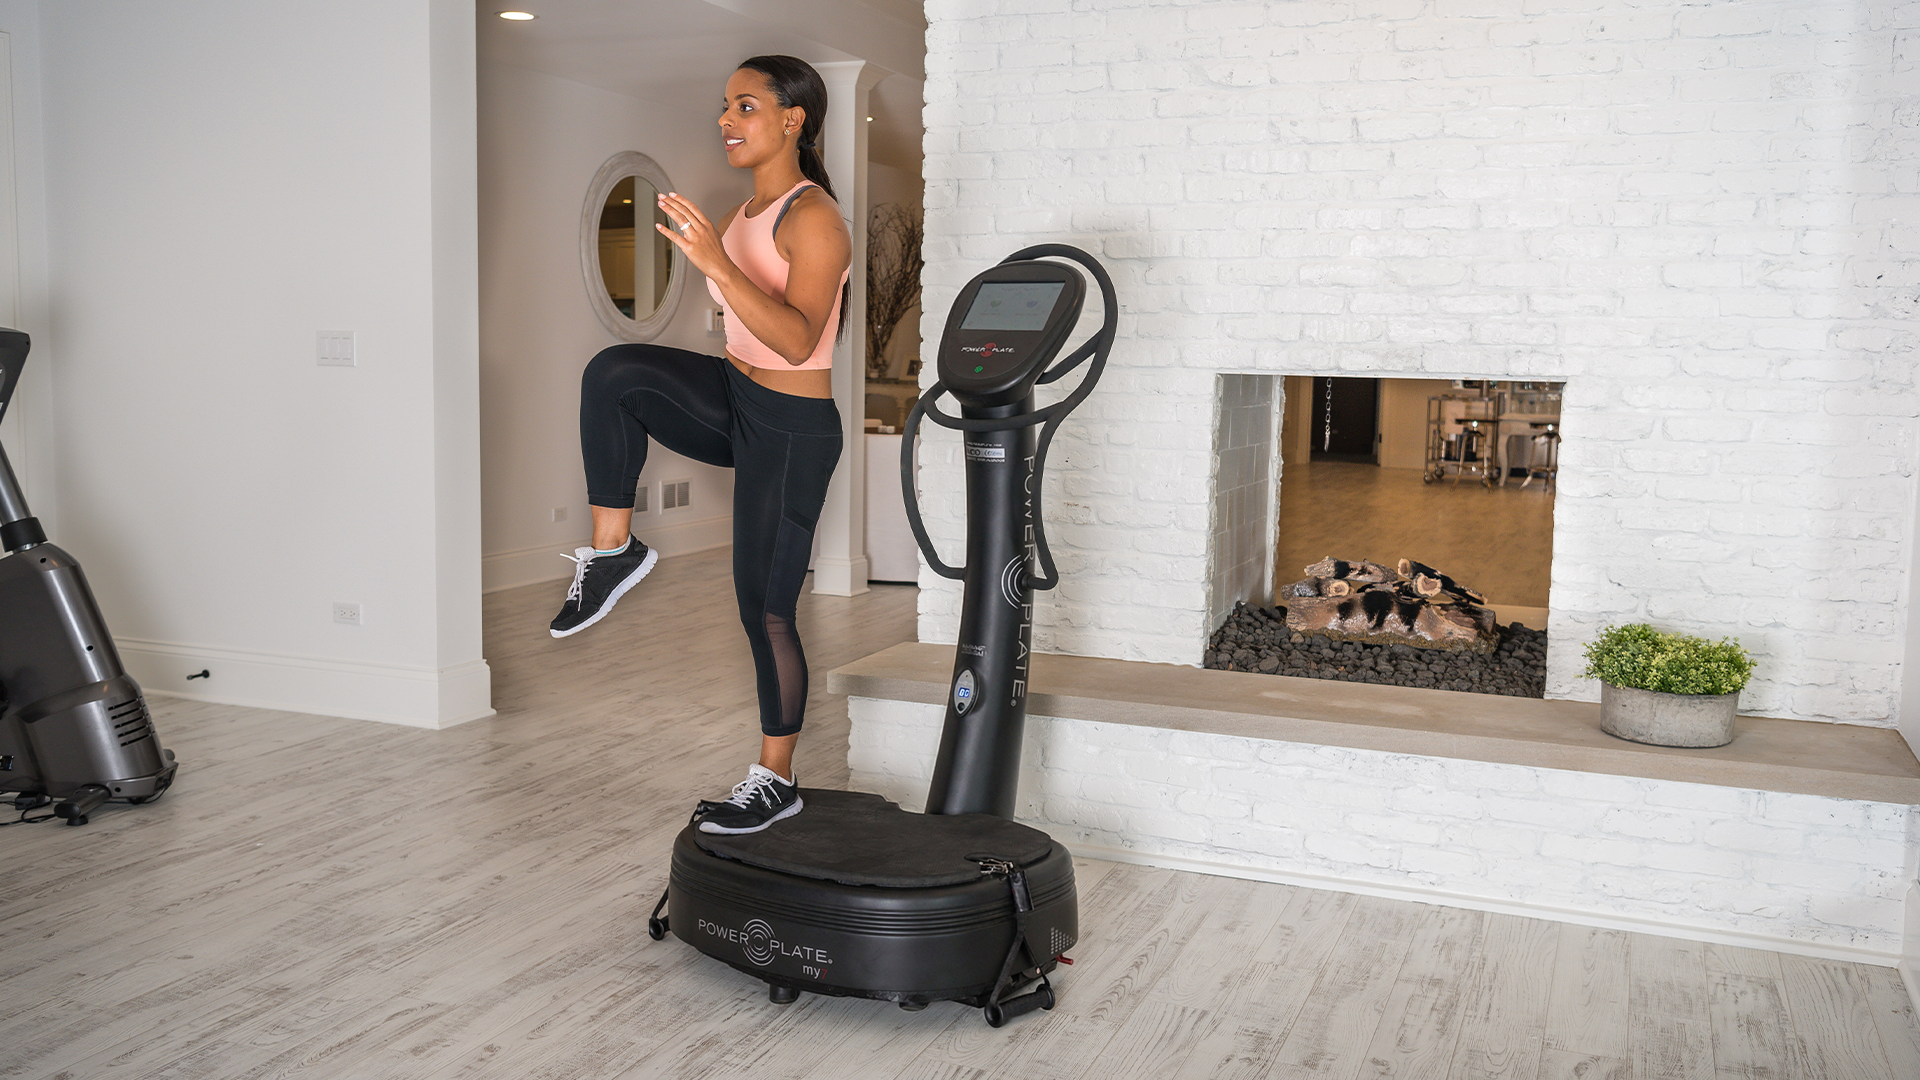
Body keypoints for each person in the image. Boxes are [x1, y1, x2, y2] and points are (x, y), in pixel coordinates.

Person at [551, 55, 852, 835]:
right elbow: (743, 334)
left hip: (791, 428)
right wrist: (718, 255)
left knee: (767, 611)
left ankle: (775, 778)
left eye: (745, 106)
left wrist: (715, 262)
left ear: (793, 119)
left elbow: (797, 340)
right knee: (614, 373)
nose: (726, 119)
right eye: (725, 106)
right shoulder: (743, 211)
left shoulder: (813, 217)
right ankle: (614, 549)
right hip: (736, 397)